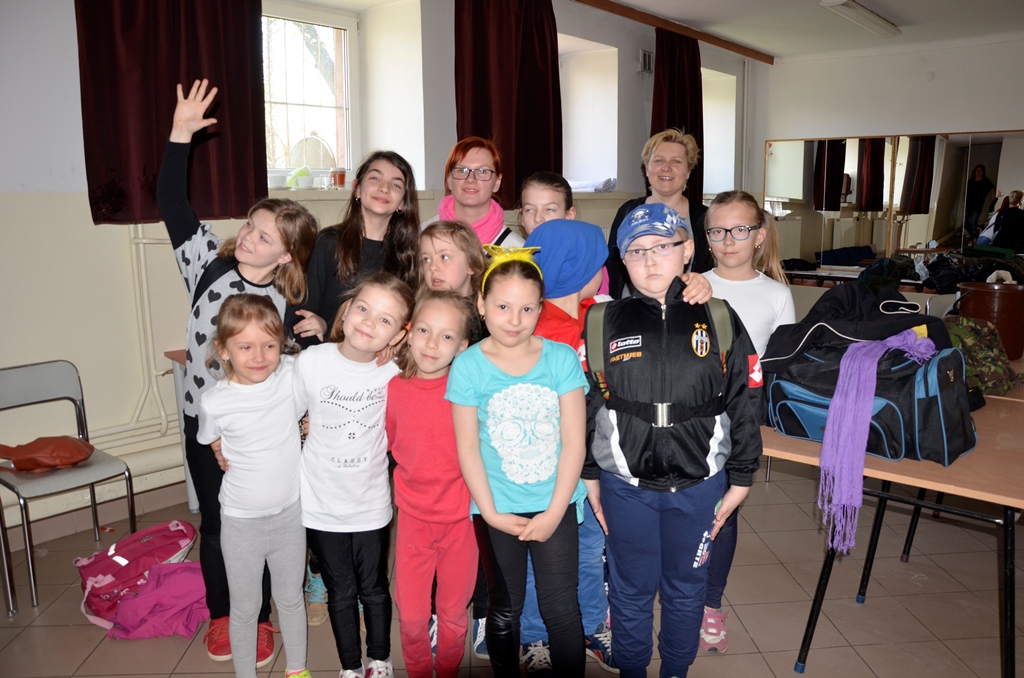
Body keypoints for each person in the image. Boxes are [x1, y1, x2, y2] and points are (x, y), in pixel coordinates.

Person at [157, 78, 318, 665]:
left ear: (285, 254)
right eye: (251, 225)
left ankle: (265, 618)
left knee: (270, 522)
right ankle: (225, 616)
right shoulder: (207, 262)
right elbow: (173, 204)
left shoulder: (287, 302)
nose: (248, 236)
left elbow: (298, 372)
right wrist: (180, 136)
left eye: (264, 235)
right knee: (219, 523)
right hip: (207, 425)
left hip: (267, 435)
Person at [583, 203, 762, 678]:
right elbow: (589, 402)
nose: (649, 260)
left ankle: (677, 669)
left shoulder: (719, 317)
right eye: (636, 251)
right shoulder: (602, 321)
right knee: (630, 589)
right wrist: (589, 473)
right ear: (622, 260)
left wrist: (742, 476)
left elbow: (745, 399)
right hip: (626, 486)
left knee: (686, 588)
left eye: (662, 246)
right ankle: (633, 668)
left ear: (687, 251)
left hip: (700, 486)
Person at [447, 248, 589, 678]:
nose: (514, 319)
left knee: (560, 608)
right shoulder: (468, 366)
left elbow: (574, 443)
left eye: (527, 308)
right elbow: (468, 448)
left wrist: (554, 512)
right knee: (505, 608)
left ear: (540, 308)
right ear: (481, 304)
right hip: (496, 508)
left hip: (556, 504)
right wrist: (490, 513)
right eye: (503, 307)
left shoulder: (561, 358)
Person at [294, 272, 415, 678]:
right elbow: (285, 416)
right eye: (363, 308)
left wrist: (403, 349)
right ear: (345, 311)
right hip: (320, 504)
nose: (369, 322)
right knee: (340, 592)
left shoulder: (395, 372)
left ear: (398, 334)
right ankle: (350, 666)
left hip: (370, 504)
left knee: (375, 589)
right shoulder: (311, 362)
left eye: (385, 320)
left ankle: (380, 660)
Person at [697, 192, 795, 654]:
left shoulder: (777, 295)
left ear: (759, 235)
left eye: (740, 230)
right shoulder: (692, 285)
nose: (728, 240)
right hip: (689, 421)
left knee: (723, 514)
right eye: (717, 231)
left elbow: (779, 369)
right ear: (706, 237)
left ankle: (710, 603)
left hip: (738, 421)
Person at [519, 219, 617, 675]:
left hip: (593, 466)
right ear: (580, 269)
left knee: (591, 549)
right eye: (599, 265)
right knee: (540, 556)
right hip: (546, 469)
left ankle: (593, 624)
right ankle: (534, 634)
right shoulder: (532, 328)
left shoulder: (601, 314)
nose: (605, 274)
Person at [196, 295, 311, 678]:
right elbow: (210, 439)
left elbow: (322, 367)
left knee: (291, 599)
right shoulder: (215, 402)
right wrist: (219, 448)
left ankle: (298, 671)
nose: (259, 357)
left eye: (269, 345)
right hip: (241, 523)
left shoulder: (291, 375)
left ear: (282, 345)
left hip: (290, 516)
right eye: (245, 347)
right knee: (245, 608)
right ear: (223, 350)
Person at [387, 291, 478, 678]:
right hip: (413, 521)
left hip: (462, 522)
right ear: (408, 333)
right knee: (410, 617)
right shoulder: (393, 389)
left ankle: (448, 669)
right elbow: (389, 442)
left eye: (446, 336)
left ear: (462, 346)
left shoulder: (469, 392)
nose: (431, 343)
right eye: (424, 330)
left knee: (453, 613)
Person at [293, 150, 421, 346]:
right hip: (327, 352)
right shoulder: (329, 242)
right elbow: (302, 315)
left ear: (402, 202)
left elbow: (411, 321)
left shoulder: (410, 255)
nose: (384, 188)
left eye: (396, 184)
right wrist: (321, 327)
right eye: (375, 178)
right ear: (357, 189)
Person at [607, 130, 713, 297]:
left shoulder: (705, 218)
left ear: (688, 171)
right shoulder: (627, 211)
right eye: (658, 160)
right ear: (646, 169)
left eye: (676, 161)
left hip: (684, 308)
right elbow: (612, 270)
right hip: (631, 308)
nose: (666, 168)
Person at [425, 137, 524, 247]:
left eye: (482, 171)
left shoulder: (515, 248)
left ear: (497, 182)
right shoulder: (420, 238)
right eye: (462, 170)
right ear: (449, 180)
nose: (471, 179)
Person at [420, 220, 486, 298]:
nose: (432, 267)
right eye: (426, 259)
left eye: (444, 257)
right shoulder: (420, 305)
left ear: (470, 265)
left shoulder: (488, 304)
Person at [964, 164, 996, 240]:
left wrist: (994, 201)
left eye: (980, 170)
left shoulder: (985, 181)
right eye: (977, 170)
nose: (978, 172)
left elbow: (992, 189)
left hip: (977, 205)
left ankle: (973, 239)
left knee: (973, 222)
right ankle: (975, 234)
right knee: (965, 223)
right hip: (968, 204)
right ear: (974, 171)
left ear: (983, 172)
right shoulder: (970, 181)